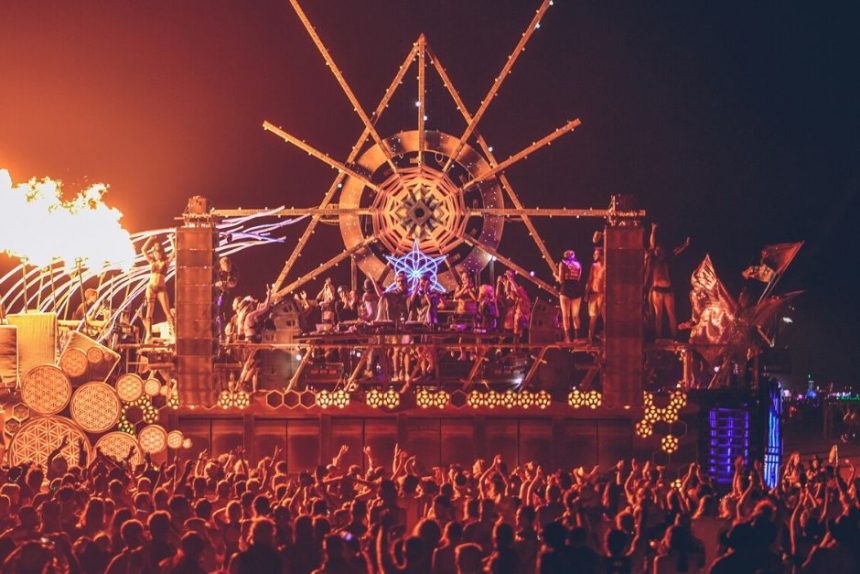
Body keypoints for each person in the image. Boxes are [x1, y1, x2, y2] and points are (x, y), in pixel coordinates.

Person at [646, 223, 690, 339]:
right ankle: (658, 337)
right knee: (658, 315)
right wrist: (653, 230)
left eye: (659, 250)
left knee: (671, 314)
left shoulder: (667, 259)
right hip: (657, 290)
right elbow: (651, 245)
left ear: (663, 251)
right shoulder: (652, 260)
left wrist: (685, 245)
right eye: (656, 250)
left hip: (668, 289)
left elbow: (676, 251)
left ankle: (674, 336)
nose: (657, 251)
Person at [141, 235, 175, 341]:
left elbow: (174, 251)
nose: (157, 254)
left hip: (161, 288)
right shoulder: (152, 261)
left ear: (162, 253)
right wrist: (150, 239)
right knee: (149, 311)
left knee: (167, 311)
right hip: (151, 287)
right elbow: (143, 249)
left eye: (158, 252)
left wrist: (170, 239)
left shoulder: (166, 262)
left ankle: (173, 333)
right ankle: (149, 334)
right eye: (155, 252)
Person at [557, 250, 584, 342]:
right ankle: (577, 337)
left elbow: (561, 280)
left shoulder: (562, 263)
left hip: (566, 289)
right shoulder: (578, 264)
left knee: (565, 315)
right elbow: (578, 278)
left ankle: (568, 337)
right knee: (575, 315)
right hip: (576, 289)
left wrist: (556, 277)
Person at [216, 256, 239, 340]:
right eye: (227, 268)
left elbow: (233, 283)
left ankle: (221, 334)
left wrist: (224, 284)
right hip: (215, 291)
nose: (228, 269)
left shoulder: (234, 270)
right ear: (222, 266)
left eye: (229, 267)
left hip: (224, 292)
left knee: (219, 312)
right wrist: (217, 284)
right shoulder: (216, 268)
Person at [585, 247, 605, 342]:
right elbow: (589, 280)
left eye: (596, 254)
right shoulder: (593, 266)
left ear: (601, 255)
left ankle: (607, 337)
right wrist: (586, 293)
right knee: (592, 317)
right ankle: (589, 338)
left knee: (605, 316)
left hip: (603, 294)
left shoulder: (606, 267)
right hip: (594, 294)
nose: (594, 255)